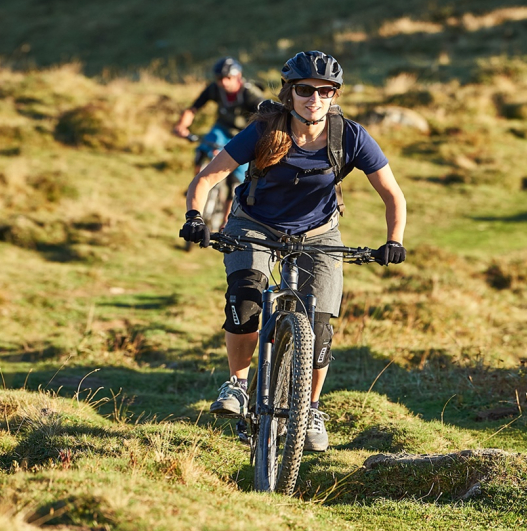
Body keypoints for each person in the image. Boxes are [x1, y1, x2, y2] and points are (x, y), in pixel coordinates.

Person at [179, 51, 408, 452]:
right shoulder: (265, 129)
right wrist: (195, 216)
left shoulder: (350, 136)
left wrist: (394, 240)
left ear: (335, 95)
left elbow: (392, 194)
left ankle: (311, 408)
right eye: (304, 90)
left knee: (319, 327)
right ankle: (236, 386)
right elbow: (207, 178)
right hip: (253, 224)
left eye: (325, 91)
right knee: (245, 299)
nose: (314, 98)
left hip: (318, 233)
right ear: (290, 92)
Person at [173, 57, 264, 223]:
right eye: (220, 79)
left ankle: (225, 222)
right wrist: (182, 126)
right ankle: (195, 185)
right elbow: (193, 108)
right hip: (221, 129)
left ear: (238, 76)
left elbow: (266, 116)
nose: (223, 82)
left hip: (243, 134)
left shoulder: (249, 93)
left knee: (236, 180)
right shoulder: (215, 89)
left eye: (227, 78)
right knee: (203, 148)